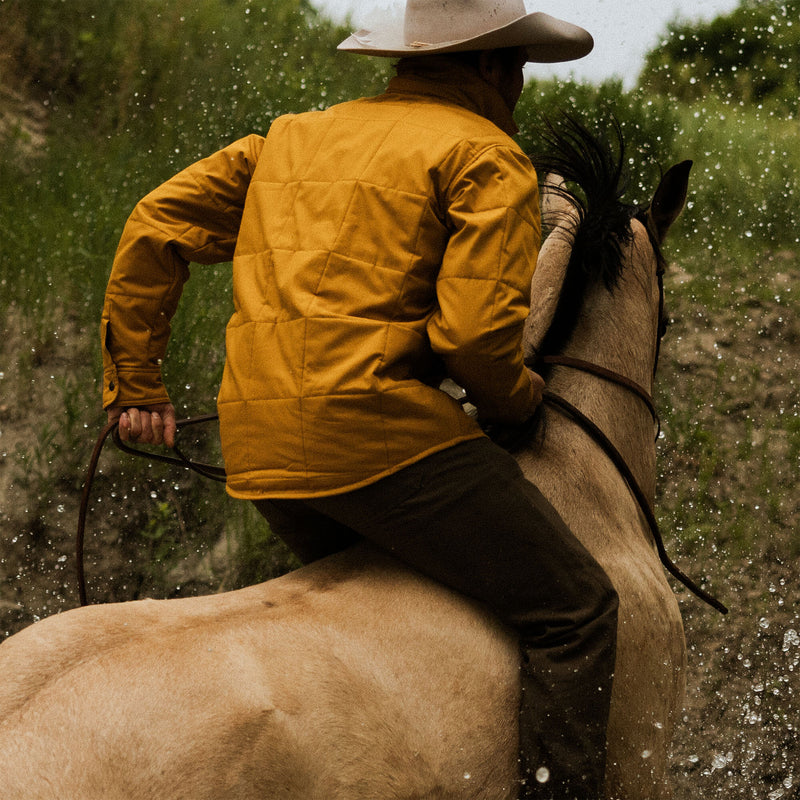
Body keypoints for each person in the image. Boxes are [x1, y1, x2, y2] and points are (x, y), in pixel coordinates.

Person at [101, 1, 618, 797]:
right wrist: (520, 401)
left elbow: (153, 224)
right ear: (487, 66)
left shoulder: (288, 138)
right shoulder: (486, 154)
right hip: (379, 446)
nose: (519, 84)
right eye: (516, 64)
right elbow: (477, 343)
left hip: (261, 453)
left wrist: (138, 382)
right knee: (577, 612)